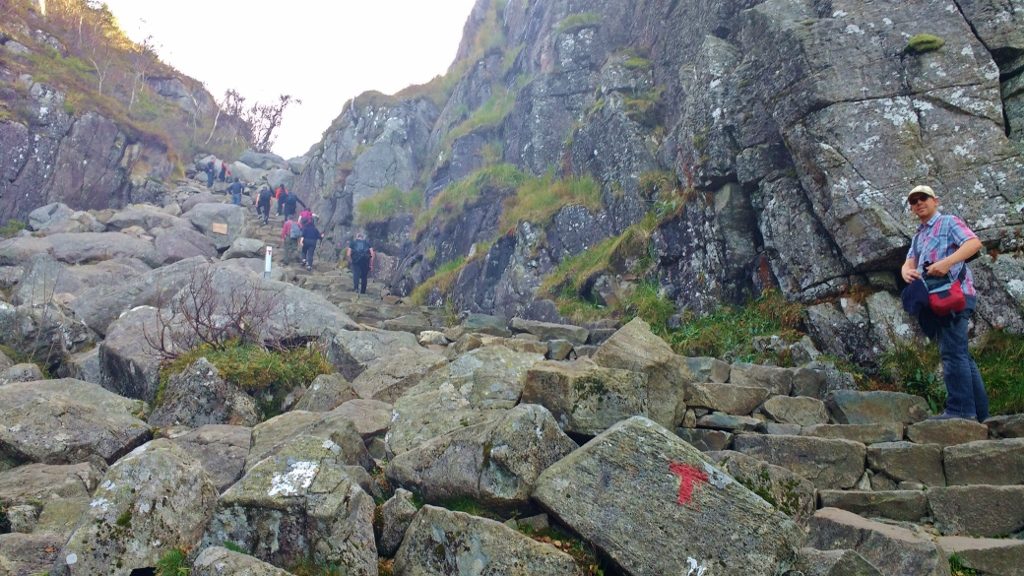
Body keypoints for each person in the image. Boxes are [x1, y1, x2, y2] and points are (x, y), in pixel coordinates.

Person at [900, 184, 988, 422]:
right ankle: (981, 415)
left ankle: (960, 411)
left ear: (935, 201)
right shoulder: (918, 236)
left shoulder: (948, 222)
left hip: (956, 295)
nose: (919, 203)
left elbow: (973, 243)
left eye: (923, 198)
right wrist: (906, 271)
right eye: (914, 201)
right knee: (960, 354)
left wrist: (947, 262)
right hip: (937, 300)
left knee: (952, 354)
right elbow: (909, 261)